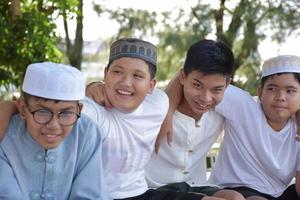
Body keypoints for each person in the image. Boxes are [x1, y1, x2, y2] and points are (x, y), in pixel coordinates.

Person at [142, 39, 244, 200]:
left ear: (227, 84)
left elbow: (268, 106)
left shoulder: (225, 107)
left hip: (193, 186)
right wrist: (95, 87)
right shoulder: (155, 104)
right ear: (182, 77)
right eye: (197, 85)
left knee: (235, 198)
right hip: (152, 188)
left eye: (217, 89)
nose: (205, 98)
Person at [0, 62, 110, 199]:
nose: (53, 125)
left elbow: (90, 194)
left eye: (66, 113)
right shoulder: (5, 133)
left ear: (79, 110)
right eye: (42, 112)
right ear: (23, 108)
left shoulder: (87, 133)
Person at [208, 55, 300, 199]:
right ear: (260, 92)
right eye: (272, 89)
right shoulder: (243, 105)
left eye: (290, 91)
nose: (280, 97)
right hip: (235, 189)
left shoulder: (297, 125)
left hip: (278, 193)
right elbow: (192, 77)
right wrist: (168, 112)